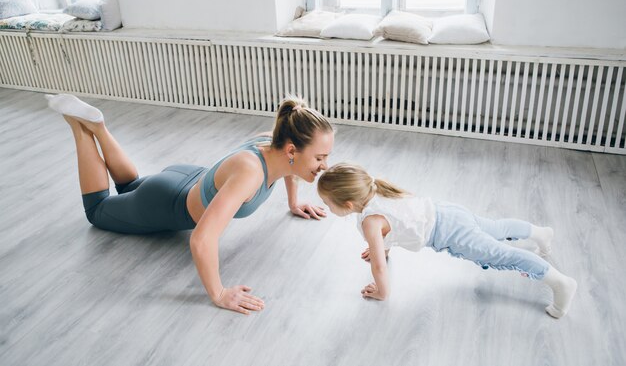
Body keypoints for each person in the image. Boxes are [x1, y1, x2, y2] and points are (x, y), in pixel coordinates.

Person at [45, 93, 334, 315]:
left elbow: (288, 169)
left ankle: (99, 126)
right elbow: (201, 239)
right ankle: (80, 128)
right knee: (97, 209)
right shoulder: (251, 174)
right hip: (166, 204)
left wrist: (294, 203)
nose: (324, 165)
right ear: (292, 149)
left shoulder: (273, 143)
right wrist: (219, 293)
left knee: (130, 188)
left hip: (183, 179)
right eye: (320, 157)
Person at [317, 162, 578, 319]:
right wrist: (381, 248)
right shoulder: (373, 191)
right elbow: (395, 227)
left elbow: (379, 268)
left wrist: (382, 291)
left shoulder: (369, 222)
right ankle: (541, 233)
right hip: (447, 212)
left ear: (348, 203)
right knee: (495, 229)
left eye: (328, 204)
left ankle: (561, 283)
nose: (328, 208)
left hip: (451, 233)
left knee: (502, 255)